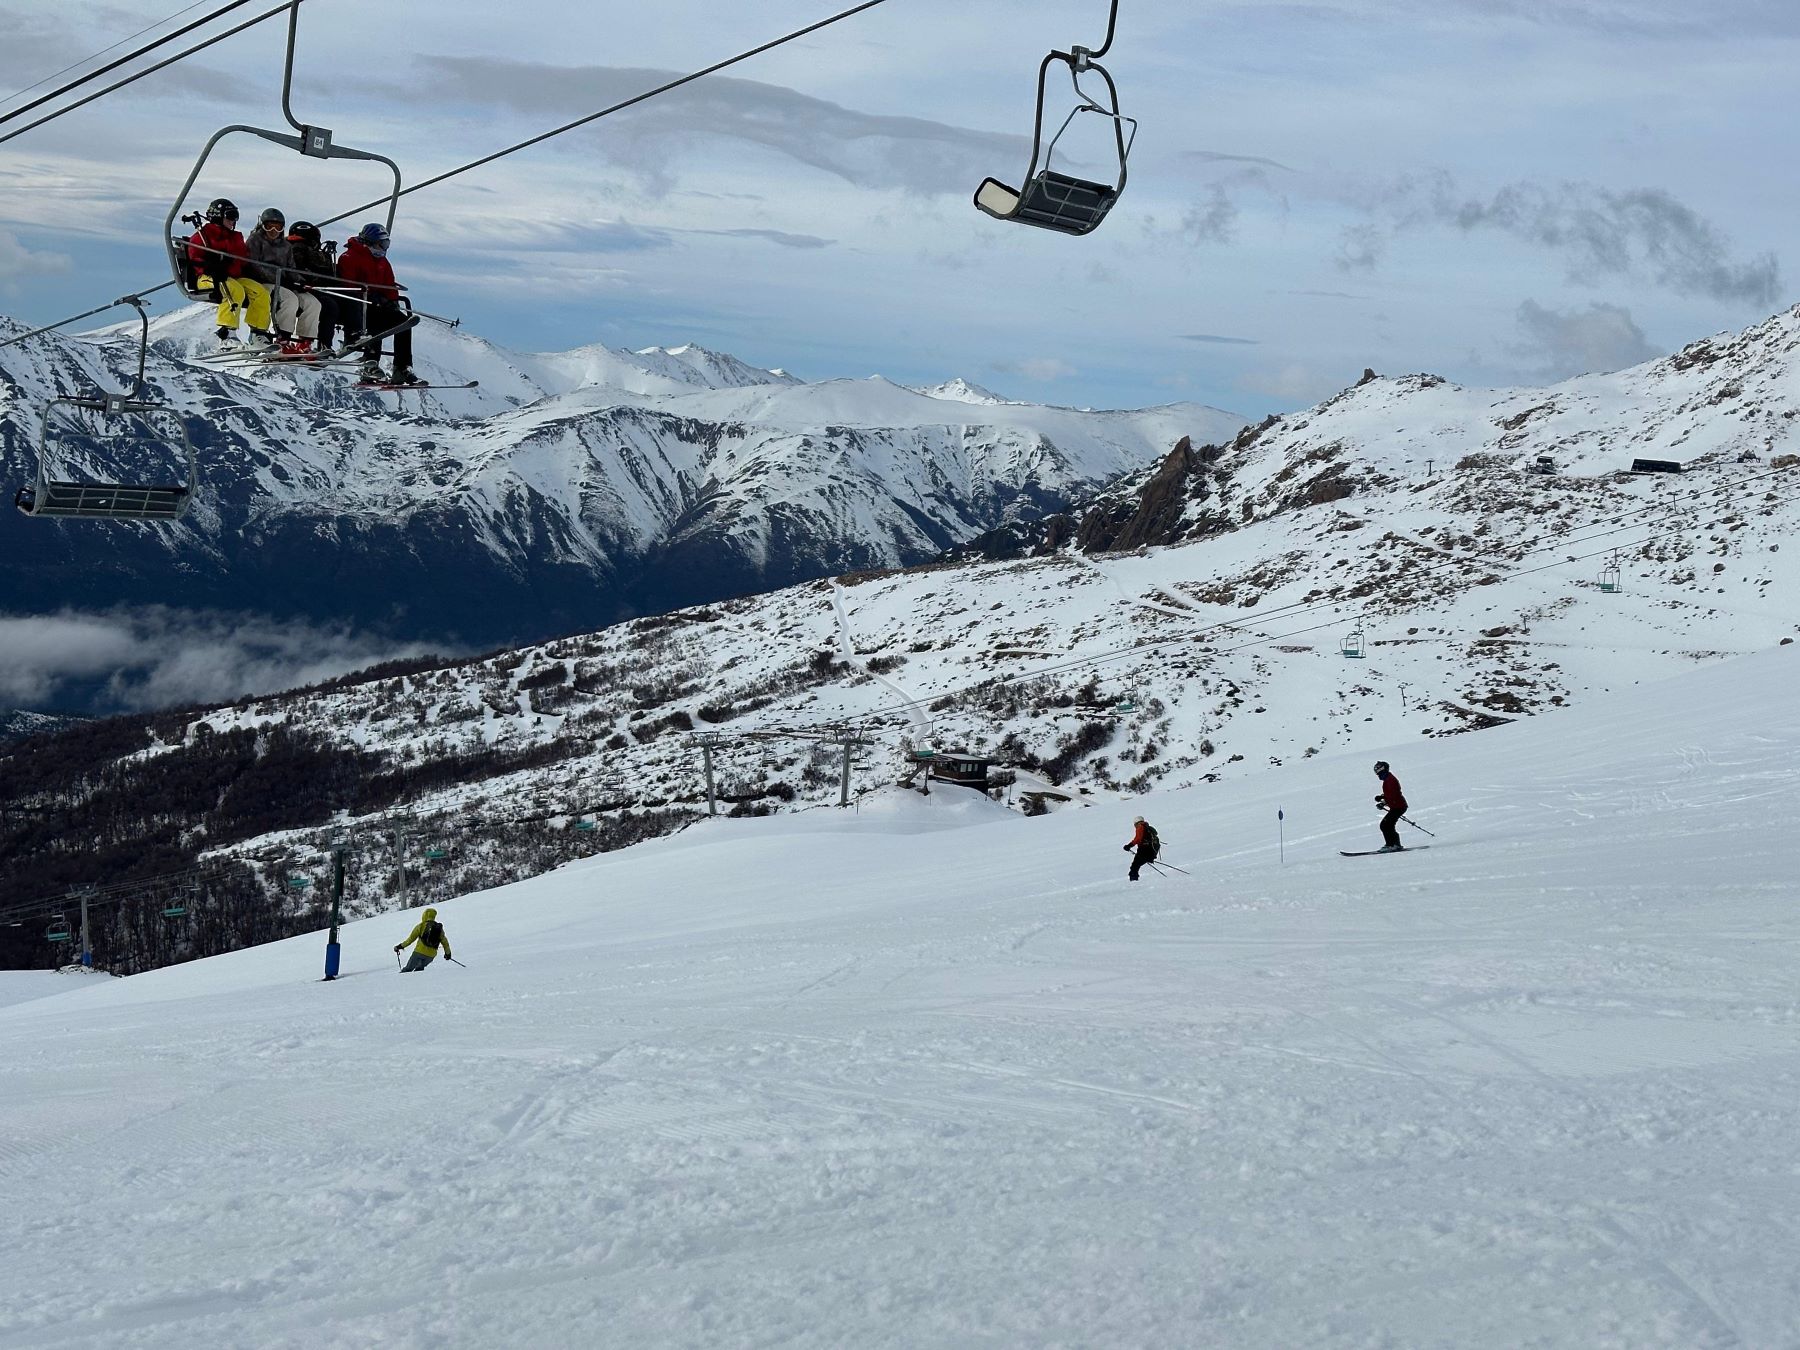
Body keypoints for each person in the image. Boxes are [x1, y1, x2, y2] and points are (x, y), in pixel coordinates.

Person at [336, 221, 422, 386]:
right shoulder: (349, 258)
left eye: (386, 244)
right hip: (358, 305)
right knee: (375, 324)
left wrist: (392, 300)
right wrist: (371, 296)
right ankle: (370, 364)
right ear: (368, 242)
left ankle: (401, 367)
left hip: (378, 304)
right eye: (381, 244)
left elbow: (389, 284)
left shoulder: (382, 262)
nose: (383, 248)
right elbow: (349, 285)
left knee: (403, 323)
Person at [186, 198, 274, 348]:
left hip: (232, 276)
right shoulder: (203, 236)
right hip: (206, 277)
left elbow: (242, 259)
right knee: (234, 290)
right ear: (218, 216)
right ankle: (227, 333)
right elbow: (195, 256)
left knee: (261, 292)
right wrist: (210, 266)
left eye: (235, 216)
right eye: (230, 216)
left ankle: (258, 333)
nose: (234, 220)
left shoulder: (235, 237)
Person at [244, 206, 323, 354]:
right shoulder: (255, 240)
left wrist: (301, 282)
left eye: (278, 227)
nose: (273, 231)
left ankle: (304, 342)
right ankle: (283, 339)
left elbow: (290, 268)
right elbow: (252, 264)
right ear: (263, 226)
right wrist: (276, 278)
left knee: (313, 303)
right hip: (261, 282)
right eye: (269, 227)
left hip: (282, 283)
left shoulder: (286, 246)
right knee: (290, 300)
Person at [285, 220, 340, 353]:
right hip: (301, 287)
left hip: (307, 286)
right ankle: (318, 343)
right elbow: (301, 268)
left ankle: (309, 342)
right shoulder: (298, 248)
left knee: (329, 305)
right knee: (328, 306)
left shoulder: (293, 247)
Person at [394, 906, 452, 972]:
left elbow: (410, 940)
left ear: (424, 915)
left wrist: (399, 946)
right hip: (431, 956)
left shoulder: (421, 926)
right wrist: (448, 954)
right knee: (419, 970)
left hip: (419, 952)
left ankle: (400, 981)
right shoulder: (438, 928)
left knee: (407, 970)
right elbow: (445, 943)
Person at [1373, 760, 1408, 852]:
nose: (1376, 772)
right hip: (1397, 806)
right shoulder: (1388, 779)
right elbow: (1390, 794)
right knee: (1387, 825)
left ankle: (1392, 845)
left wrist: (1383, 802)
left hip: (1398, 806)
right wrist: (1381, 797)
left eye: (1377, 769)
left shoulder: (1390, 780)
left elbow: (1393, 795)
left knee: (1385, 825)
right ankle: (1394, 844)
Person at [1123, 815, 1160, 881]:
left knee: (1134, 866)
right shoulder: (1147, 827)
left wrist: (1129, 846)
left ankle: (1134, 881)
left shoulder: (1140, 827)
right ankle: (1134, 879)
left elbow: (1138, 839)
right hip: (1151, 851)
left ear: (1136, 823)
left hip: (1143, 850)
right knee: (1136, 865)